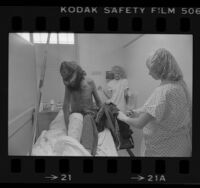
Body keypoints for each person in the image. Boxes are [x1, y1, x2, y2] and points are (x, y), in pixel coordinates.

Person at [117, 48, 192, 157]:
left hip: (164, 150)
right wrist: (137, 111)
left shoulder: (162, 91)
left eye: (150, 69)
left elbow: (139, 124)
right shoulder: (180, 85)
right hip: (182, 146)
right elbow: (159, 108)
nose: (149, 73)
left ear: (158, 68)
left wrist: (123, 117)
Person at [60, 61, 102, 132]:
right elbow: (65, 106)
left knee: (88, 120)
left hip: (89, 116)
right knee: (77, 122)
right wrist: (68, 127)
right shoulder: (69, 86)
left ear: (76, 73)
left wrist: (101, 118)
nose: (70, 83)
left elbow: (99, 102)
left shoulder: (90, 82)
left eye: (71, 80)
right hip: (76, 117)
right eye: (67, 81)